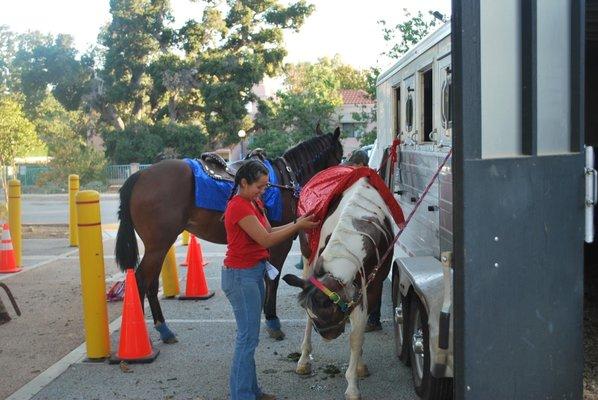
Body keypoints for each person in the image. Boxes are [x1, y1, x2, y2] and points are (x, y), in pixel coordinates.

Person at [221, 160, 318, 400]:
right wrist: (299, 225)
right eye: (259, 186)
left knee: (249, 338)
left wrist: (298, 224)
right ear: (243, 183)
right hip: (240, 276)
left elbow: (270, 231)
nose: (263, 191)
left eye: (265, 187)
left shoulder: (254, 202)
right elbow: (266, 239)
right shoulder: (238, 206)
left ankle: (251, 391)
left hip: (253, 273)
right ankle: (241, 395)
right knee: (247, 339)